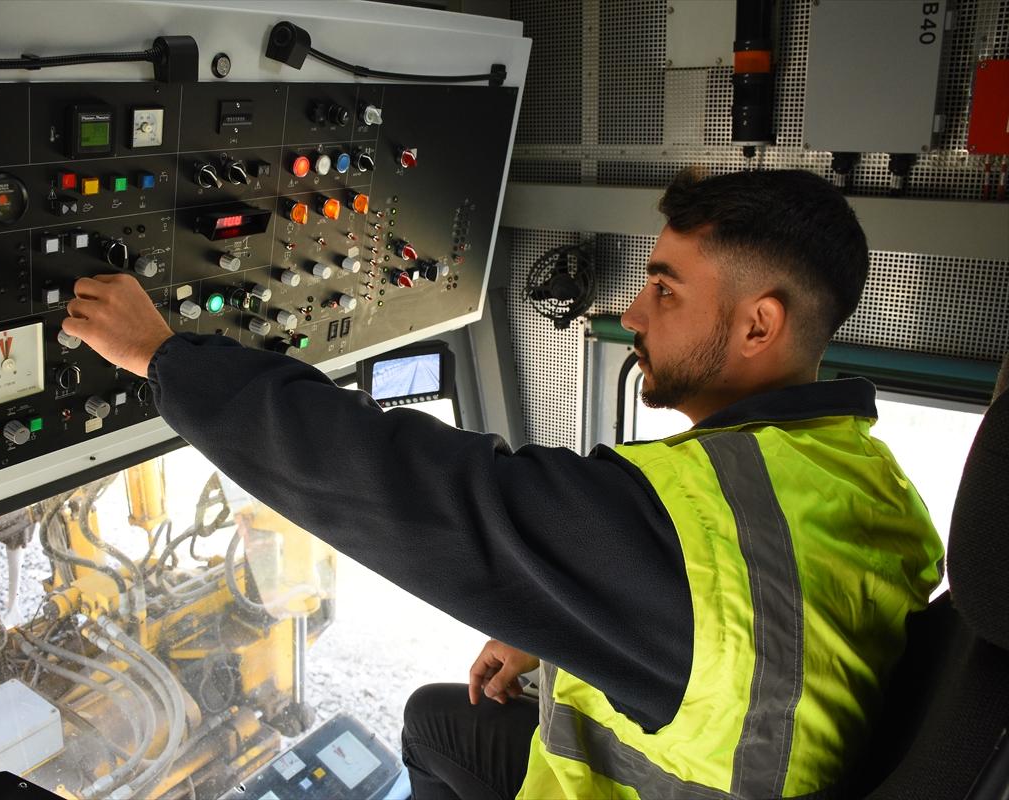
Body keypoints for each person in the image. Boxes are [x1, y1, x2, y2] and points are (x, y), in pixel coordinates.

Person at [62, 169, 943, 799]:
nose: (632, 315)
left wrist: (165, 357)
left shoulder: (694, 534)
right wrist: (567, 627)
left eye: (666, 290)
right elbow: (744, 640)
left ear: (760, 324)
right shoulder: (861, 481)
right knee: (435, 720)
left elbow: (409, 492)